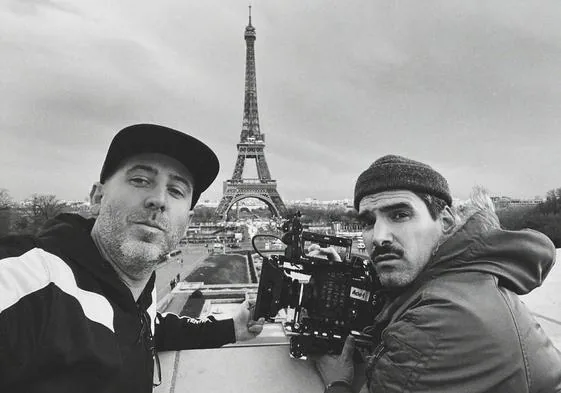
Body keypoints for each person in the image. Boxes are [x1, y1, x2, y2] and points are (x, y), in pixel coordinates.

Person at [0, 124, 265, 393]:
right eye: (140, 180)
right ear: (97, 197)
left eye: (176, 190)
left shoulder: (134, 293)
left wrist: (233, 327)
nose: (158, 199)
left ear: (188, 221)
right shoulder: (29, 283)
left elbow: (145, 326)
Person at [314, 155, 561, 393]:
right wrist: (347, 280)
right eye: (368, 222)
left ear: (445, 221)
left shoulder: (436, 325)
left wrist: (337, 384)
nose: (378, 237)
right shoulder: (467, 278)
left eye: (400, 215)